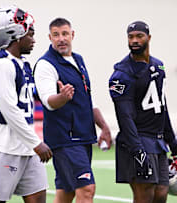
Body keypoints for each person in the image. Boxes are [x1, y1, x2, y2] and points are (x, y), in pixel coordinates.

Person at [0, 5, 52, 203]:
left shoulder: (23, 63)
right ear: (16, 35)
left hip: (24, 144)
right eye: (30, 34)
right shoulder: (2, 65)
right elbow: (10, 111)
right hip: (1, 143)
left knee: (38, 196)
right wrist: (36, 143)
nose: (34, 39)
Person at [33, 18, 112, 203]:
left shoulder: (78, 59)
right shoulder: (45, 64)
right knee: (86, 189)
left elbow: (87, 99)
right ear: (49, 37)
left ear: (72, 35)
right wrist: (62, 97)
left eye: (65, 34)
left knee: (66, 193)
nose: (61, 39)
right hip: (65, 139)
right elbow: (48, 101)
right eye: (56, 35)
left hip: (83, 137)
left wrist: (104, 127)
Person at [108, 21, 177, 203]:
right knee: (145, 196)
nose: (134, 40)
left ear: (148, 38)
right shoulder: (122, 74)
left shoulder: (159, 66)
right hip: (138, 140)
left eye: (139, 36)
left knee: (161, 194)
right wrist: (138, 151)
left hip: (157, 142)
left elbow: (161, 106)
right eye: (130, 37)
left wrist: (173, 143)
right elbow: (124, 117)